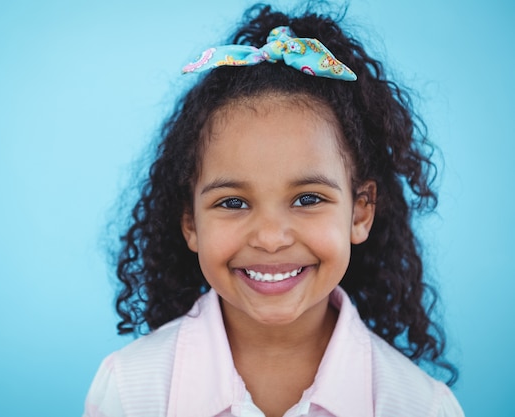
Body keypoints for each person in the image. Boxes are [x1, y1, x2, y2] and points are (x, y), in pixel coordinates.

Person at [83, 4, 464, 417]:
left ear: (360, 213)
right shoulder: (130, 390)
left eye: (308, 199)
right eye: (233, 202)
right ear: (190, 222)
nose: (270, 238)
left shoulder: (421, 406)